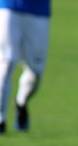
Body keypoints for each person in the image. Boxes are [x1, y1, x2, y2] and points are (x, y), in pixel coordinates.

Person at [0, 0, 51, 133]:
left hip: (38, 11)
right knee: (7, 62)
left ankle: (21, 102)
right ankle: (1, 119)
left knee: (36, 70)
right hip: (8, 6)